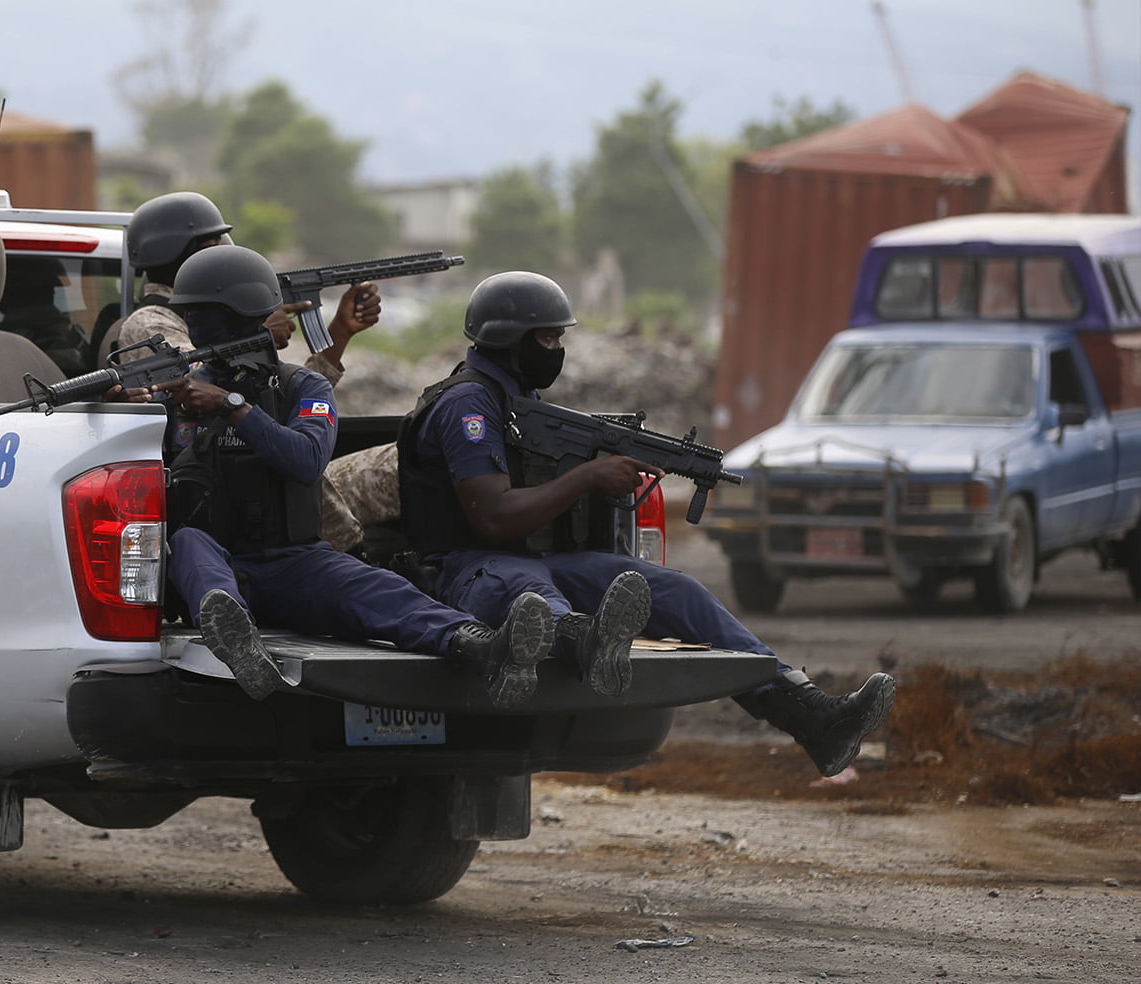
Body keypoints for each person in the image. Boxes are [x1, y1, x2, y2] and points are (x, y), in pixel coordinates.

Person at [397, 270, 896, 776]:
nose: (557, 348)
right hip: (464, 570)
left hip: (532, 563)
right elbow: (494, 517)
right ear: (507, 338)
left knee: (677, 593)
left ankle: (810, 714)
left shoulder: (518, 405)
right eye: (547, 338)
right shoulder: (468, 406)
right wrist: (590, 475)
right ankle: (582, 639)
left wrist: (598, 463)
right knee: (529, 583)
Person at [149, 245, 638, 709]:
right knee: (190, 542)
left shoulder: (302, 385)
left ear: (244, 316)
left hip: (291, 559)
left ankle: (484, 648)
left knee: (382, 592)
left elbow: (304, 459)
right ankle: (235, 639)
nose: (199, 328)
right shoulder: (176, 391)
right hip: (216, 562)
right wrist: (145, 408)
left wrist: (234, 408)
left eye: (209, 317)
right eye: (193, 318)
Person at [114, 191, 384, 548]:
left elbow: (277, 395)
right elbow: (200, 384)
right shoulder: (150, 321)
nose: (222, 249)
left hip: (279, 509)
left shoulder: (181, 317)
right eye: (211, 244)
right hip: (226, 516)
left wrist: (337, 334)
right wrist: (254, 331)